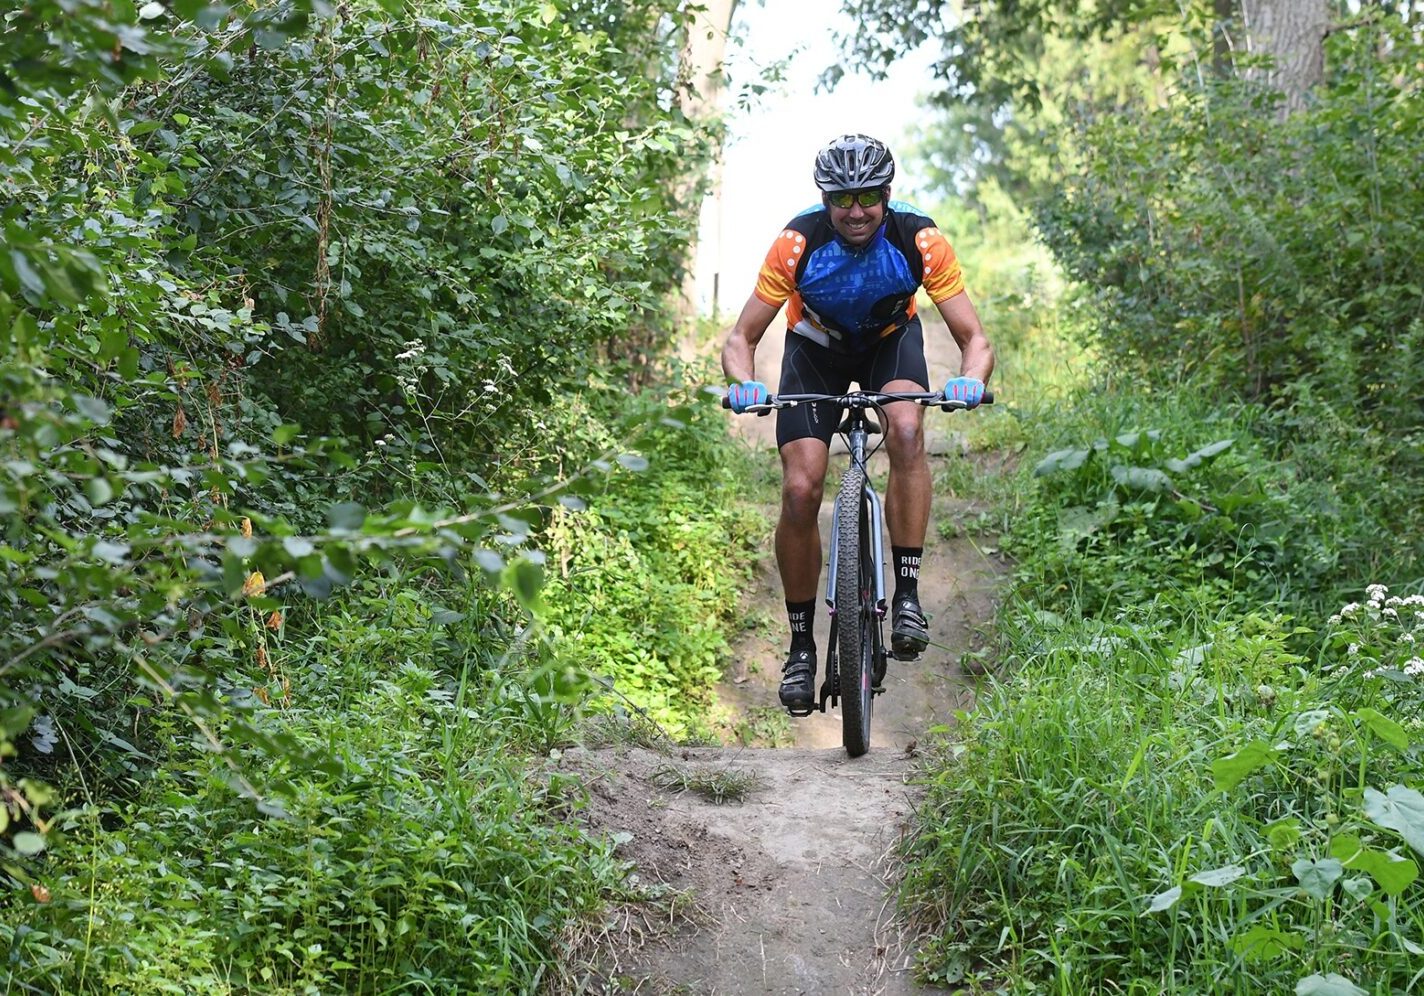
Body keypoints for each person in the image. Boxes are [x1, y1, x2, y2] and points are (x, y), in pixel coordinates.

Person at [721, 133, 995, 714]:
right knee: (800, 487)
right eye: (841, 198)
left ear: (887, 194)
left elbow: (974, 339)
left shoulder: (918, 239)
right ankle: (800, 647)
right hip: (813, 349)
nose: (855, 211)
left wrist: (970, 377)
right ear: (824, 200)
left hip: (889, 346)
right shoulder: (798, 243)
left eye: (867, 196)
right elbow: (742, 338)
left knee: (907, 429)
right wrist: (743, 381)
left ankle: (908, 597)